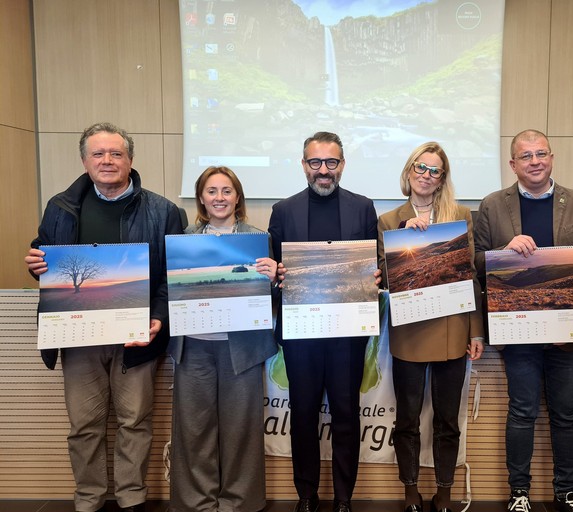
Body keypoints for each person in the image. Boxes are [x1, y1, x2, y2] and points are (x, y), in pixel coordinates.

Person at [24, 122, 183, 512]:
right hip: (78, 337)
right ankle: (88, 499)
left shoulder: (164, 211)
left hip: (137, 336)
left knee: (135, 422)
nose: (107, 161)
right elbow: (45, 257)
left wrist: (159, 317)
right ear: (84, 160)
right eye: (98, 154)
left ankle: (132, 498)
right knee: (84, 426)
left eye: (116, 153)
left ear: (130, 159)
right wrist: (37, 265)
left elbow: (171, 277)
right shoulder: (60, 207)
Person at [473, 130, 573, 512]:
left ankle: (567, 492)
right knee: (522, 411)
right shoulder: (493, 205)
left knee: (567, 413)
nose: (535, 161)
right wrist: (503, 252)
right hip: (517, 326)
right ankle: (520, 493)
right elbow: (476, 261)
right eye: (525, 155)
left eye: (541, 153)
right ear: (512, 164)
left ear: (552, 157)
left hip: (567, 326)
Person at [268, 131, 378, 512]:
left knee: (347, 415)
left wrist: (375, 276)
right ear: (304, 166)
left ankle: (344, 499)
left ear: (342, 165)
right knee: (302, 415)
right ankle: (306, 496)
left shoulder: (364, 208)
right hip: (301, 334)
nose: (323, 171)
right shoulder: (283, 211)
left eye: (331, 162)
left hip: (348, 334)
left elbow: (374, 266)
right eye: (315, 163)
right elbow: (273, 272)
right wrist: (278, 274)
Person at [377, 142, 485, 512]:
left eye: (434, 170)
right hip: (409, 331)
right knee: (406, 418)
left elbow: (469, 275)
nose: (426, 175)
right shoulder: (389, 221)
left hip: (452, 329)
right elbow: (384, 280)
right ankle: (410, 490)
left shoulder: (460, 216)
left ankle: (444, 490)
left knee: (446, 419)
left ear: (442, 179)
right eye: (420, 168)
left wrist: (475, 330)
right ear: (409, 173)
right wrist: (405, 240)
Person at [168, 166, 278, 512]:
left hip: (240, 348)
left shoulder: (258, 239)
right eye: (212, 191)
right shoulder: (183, 240)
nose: (219, 198)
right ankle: (195, 502)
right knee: (193, 429)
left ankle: (240, 503)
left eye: (227, 191)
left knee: (241, 429)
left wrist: (274, 278)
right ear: (201, 197)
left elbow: (269, 299)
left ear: (237, 197)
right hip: (194, 346)